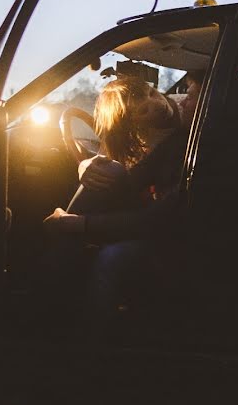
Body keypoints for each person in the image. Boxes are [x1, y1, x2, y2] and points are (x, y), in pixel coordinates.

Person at [41, 72, 201, 340]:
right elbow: (130, 177)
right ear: (131, 125)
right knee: (105, 175)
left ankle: (82, 338)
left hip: (178, 235)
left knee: (111, 258)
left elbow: (160, 219)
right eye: (143, 110)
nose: (159, 104)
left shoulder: (188, 129)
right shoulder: (174, 120)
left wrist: (78, 224)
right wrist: (87, 165)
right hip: (164, 225)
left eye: (152, 95)